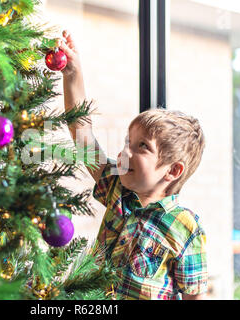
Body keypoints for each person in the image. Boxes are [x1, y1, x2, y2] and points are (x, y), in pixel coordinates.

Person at [58, 30, 208, 300]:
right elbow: (83, 136)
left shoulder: (185, 228)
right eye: (128, 142)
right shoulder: (118, 188)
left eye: (142, 147)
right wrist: (73, 75)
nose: (125, 152)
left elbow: (193, 296)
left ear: (173, 171)